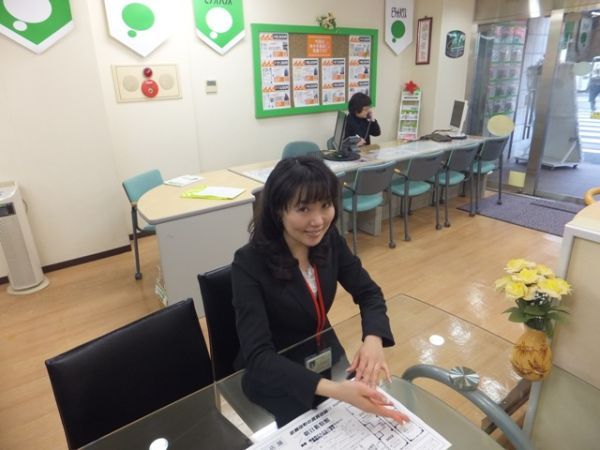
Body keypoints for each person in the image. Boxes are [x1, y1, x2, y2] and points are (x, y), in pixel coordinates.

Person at [231, 156, 409, 427]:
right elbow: (258, 356)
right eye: (303, 209)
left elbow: (369, 292)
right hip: (276, 375)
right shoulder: (248, 263)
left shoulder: (329, 241)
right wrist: (337, 390)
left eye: (325, 205)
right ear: (278, 210)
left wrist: (373, 339)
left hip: (324, 354)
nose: (318, 221)